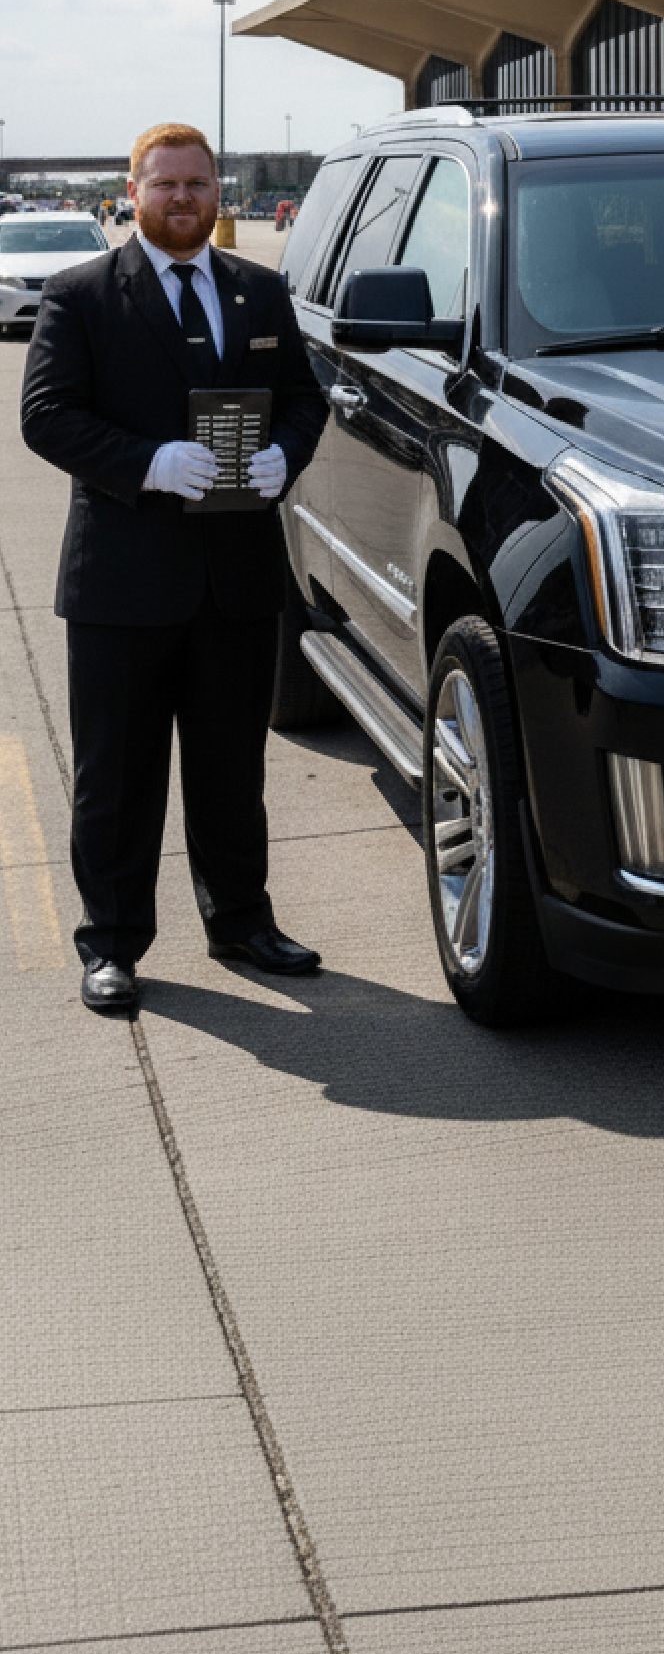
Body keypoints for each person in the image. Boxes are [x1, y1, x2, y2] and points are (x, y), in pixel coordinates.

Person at [21, 122, 329, 1014]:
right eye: (166, 184)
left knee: (233, 770)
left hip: (235, 582)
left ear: (215, 193)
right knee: (115, 778)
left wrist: (283, 453)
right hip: (121, 584)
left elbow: (303, 399)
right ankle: (111, 944)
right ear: (134, 192)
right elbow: (46, 417)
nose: (185, 197)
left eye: (199, 183)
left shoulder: (260, 293)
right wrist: (147, 463)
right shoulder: (83, 295)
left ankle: (240, 919)